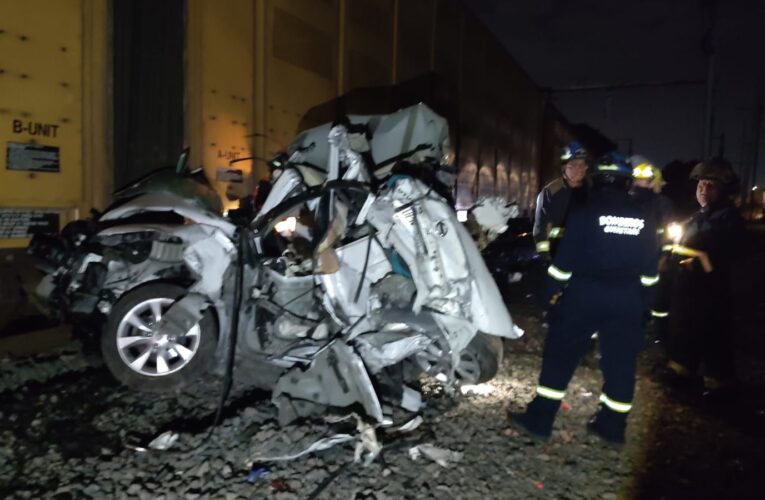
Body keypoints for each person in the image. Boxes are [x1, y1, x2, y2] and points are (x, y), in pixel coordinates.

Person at [510, 154, 659, 444]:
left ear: (597, 180)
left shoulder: (584, 213)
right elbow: (651, 273)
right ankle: (612, 427)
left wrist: (549, 296)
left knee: (561, 355)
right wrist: (646, 307)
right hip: (627, 299)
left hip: (584, 297)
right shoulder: (645, 219)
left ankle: (539, 420)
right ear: (626, 183)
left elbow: (563, 265)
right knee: (620, 363)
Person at [664, 159, 744, 395]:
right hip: (687, 287)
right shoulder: (697, 215)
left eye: (710, 186)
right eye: (700, 186)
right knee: (683, 328)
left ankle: (720, 384)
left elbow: (726, 253)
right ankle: (681, 371)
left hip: (712, 290)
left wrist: (700, 263)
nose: (704, 191)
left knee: (714, 333)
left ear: (723, 189)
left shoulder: (728, 218)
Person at [629, 155, 674, 324]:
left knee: (652, 291)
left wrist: (664, 255)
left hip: (654, 255)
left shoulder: (663, 203)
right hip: (636, 255)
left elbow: (668, 232)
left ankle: (652, 322)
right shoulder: (630, 200)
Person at [533, 141, 590, 260]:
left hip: (586, 255)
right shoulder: (551, 192)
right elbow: (541, 227)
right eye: (573, 164)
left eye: (582, 164)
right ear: (564, 167)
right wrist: (545, 257)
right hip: (558, 254)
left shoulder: (593, 192)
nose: (579, 169)